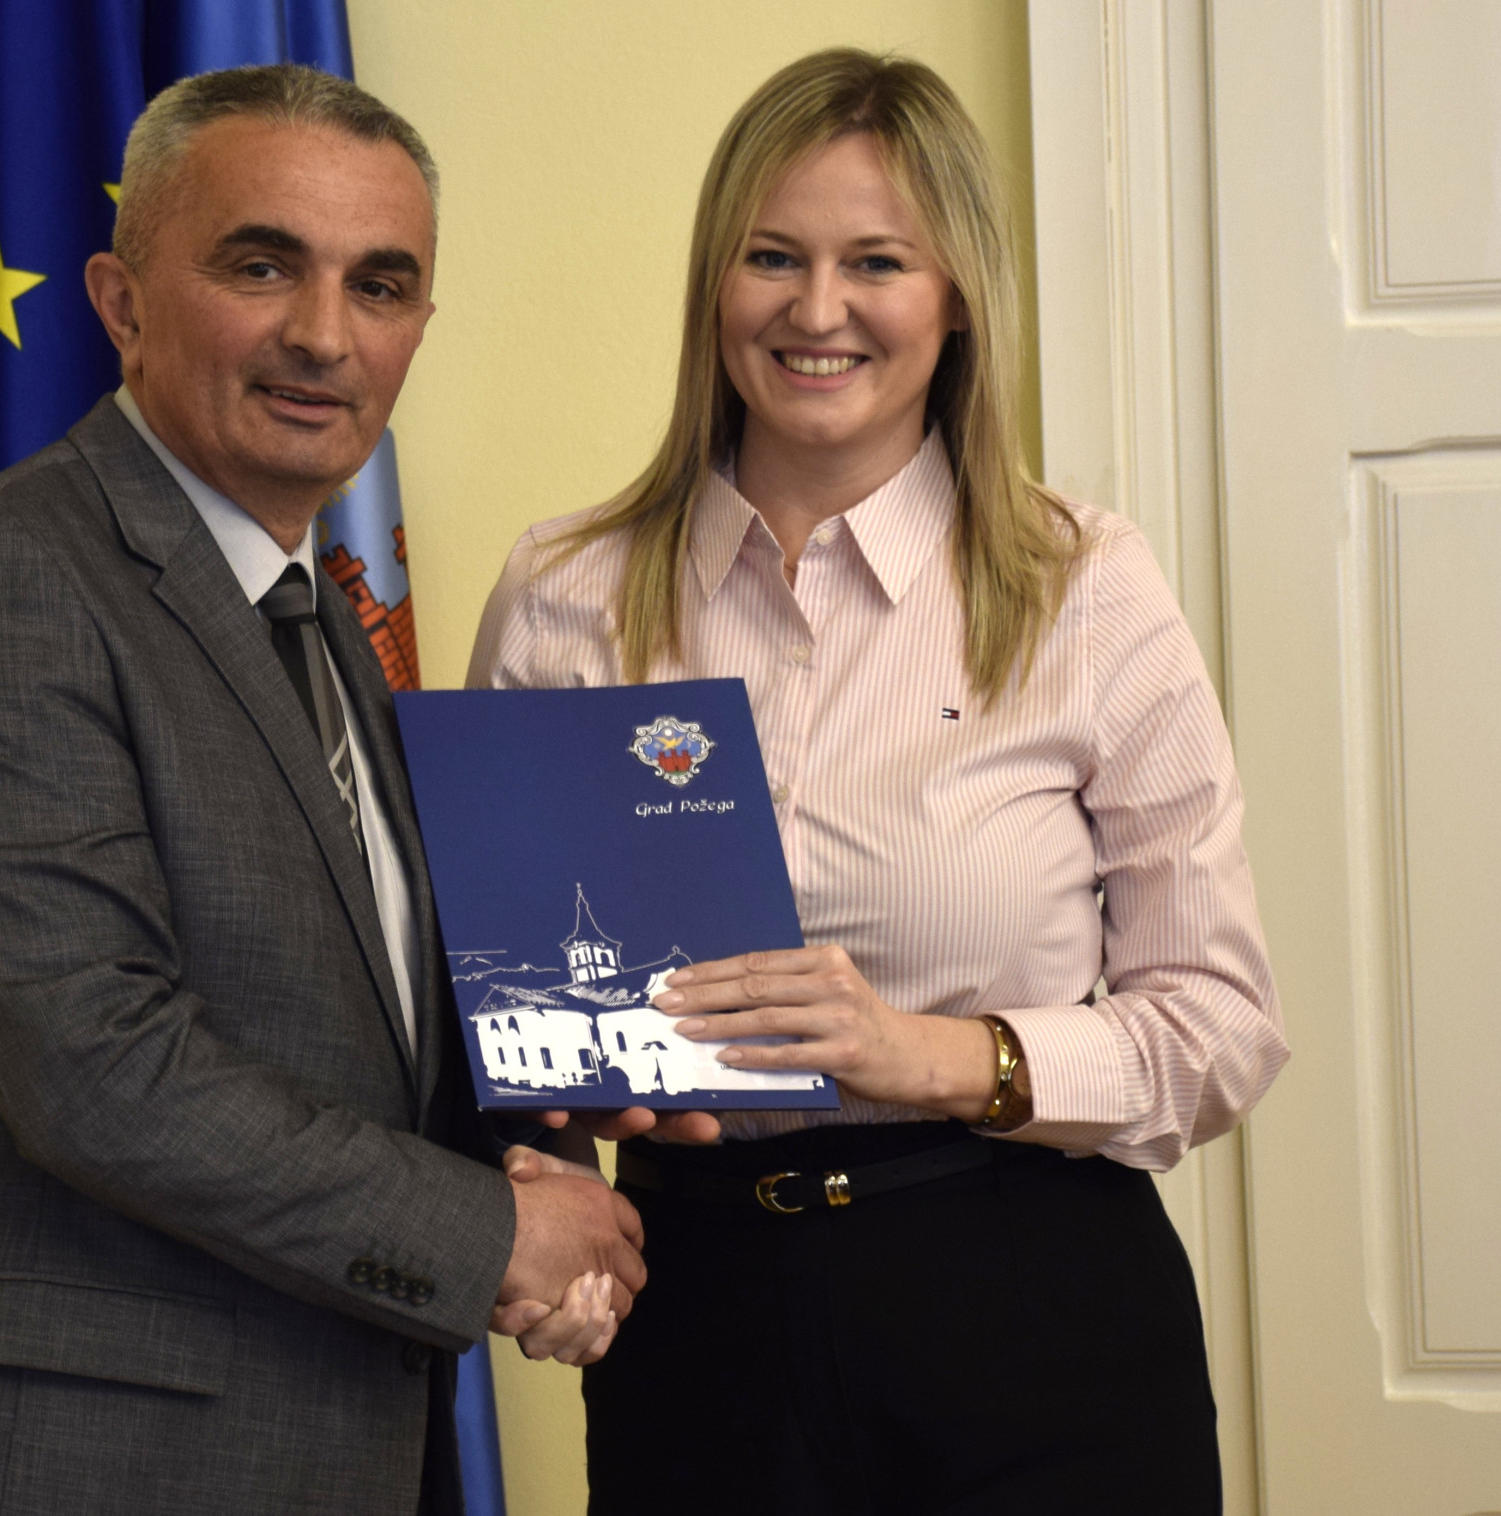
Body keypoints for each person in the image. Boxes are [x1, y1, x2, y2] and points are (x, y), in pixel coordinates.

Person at [469, 48, 1288, 1515]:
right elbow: (506, 1009)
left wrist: (922, 1052)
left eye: (877, 262)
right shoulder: (561, 592)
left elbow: (1221, 1027)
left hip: (1036, 1305)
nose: (816, 309)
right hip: (699, 1322)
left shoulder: (1086, 586)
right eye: (772, 256)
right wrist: (546, 1193)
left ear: (956, 295)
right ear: (714, 283)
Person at [0, 65, 633, 1516]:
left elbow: (357, 1042)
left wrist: (564, 1118)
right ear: (121, 302)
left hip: (335, 1446)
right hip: (78, 1468)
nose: (324, 333)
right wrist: (491, 1236)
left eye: (380, 285)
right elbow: (99, 1069)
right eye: (262, 266)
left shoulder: (325, 628)